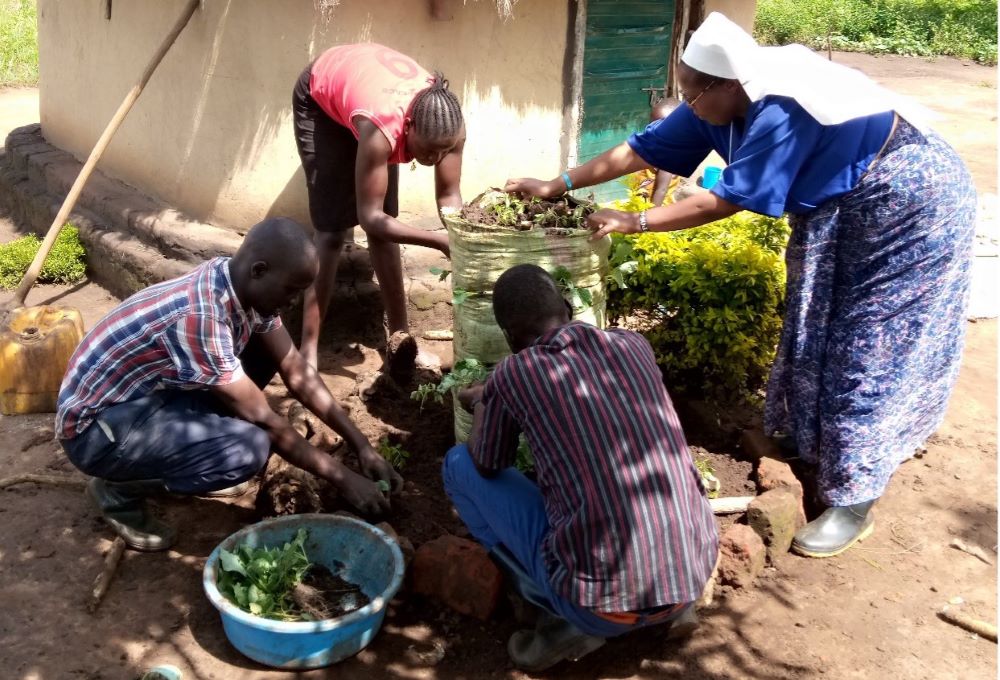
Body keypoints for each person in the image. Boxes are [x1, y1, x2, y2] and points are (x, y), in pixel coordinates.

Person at [504, 13, 976, 559]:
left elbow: (729, 197)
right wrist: (556, 184)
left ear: (729, 85)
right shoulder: (714, 103)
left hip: (911, 203)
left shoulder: (781, 108)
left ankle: (854, 496)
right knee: (813, 322)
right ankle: (812, 439)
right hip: (841, 206)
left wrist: (636, 221)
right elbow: (638, 150)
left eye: (691, 93)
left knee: (871, 344)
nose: (687, 103)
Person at [56, 218, 402, 552]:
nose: (295, 301)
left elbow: (296, 371)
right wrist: (344, 479)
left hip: (142, 400)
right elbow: (265, 421)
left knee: (267, 354)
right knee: (247, 449)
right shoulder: (201, 316)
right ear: (260, 271)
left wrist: (362, 446)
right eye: (292, 290)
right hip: (94, 432)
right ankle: (118, 490)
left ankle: (189, 454)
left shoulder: (238, 283)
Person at [442, 264, 718, 672]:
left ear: (508, 336)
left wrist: (485, 401)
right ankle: (674, 609)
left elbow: (487, 461)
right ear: (568, 307)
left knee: (458, 464)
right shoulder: (633, 345)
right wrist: (496, 389)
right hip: (690, 575)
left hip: (598, 605)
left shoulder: (515, 371)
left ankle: (558, 614)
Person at [292, 43, 465, 373]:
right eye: (427, 152)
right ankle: (307, 351)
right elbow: (369, 219)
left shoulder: (447, 127)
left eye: (443, 152)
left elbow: (449, 197)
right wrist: (439, 241)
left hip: (367, 96)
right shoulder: (383, 129)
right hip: (321, 96)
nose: (434, 160)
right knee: (330, 234)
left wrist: (461, 236)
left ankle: (401, 341)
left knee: (387, 232)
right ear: (409, 127)